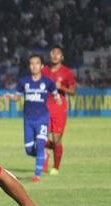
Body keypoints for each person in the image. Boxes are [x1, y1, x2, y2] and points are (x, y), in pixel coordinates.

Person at [4, 54, 61, 182]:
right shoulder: (24, 82)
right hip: (28, 119)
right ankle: (43, 155)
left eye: (37, 63)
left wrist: (57, 99)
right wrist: (10, 97)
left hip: (42, 118)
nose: (34, 66)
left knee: (40, 144)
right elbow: (17, 97)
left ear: (41, 66)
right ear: (29, 66)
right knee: (29, 150)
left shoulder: (47, 82)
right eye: (31, 63)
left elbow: (55, 93)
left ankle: (37, 175)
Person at [41, 45, 76, 175]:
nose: (55, 55)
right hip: (44, 107)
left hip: (59, 108)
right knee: (41, 138)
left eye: (58, 53)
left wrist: (61, 87)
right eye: (53, 53)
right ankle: (44, 157)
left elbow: (73, 92)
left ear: (62, 57)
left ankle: (55, 167)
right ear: (50, 56)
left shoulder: (67, 72)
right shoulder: (44, 71)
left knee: (56, 140)